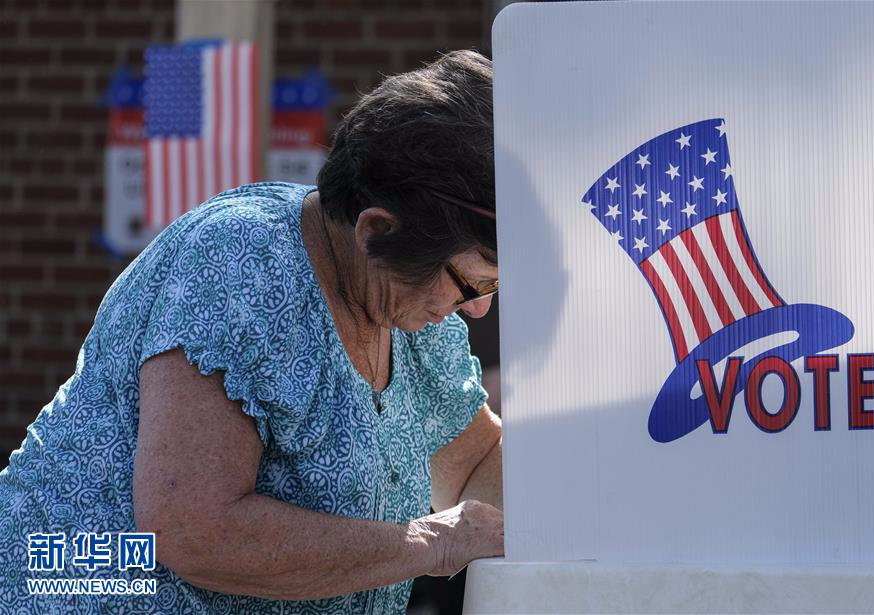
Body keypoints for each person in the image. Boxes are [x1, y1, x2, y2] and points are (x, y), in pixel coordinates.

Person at [0, 49, 503, 613]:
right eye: (472, 283)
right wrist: (434, 543)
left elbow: (475, 464)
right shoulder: (240, 264)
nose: (478, 310)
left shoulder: (408, 302)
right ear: (376, 231)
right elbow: (194, 530)